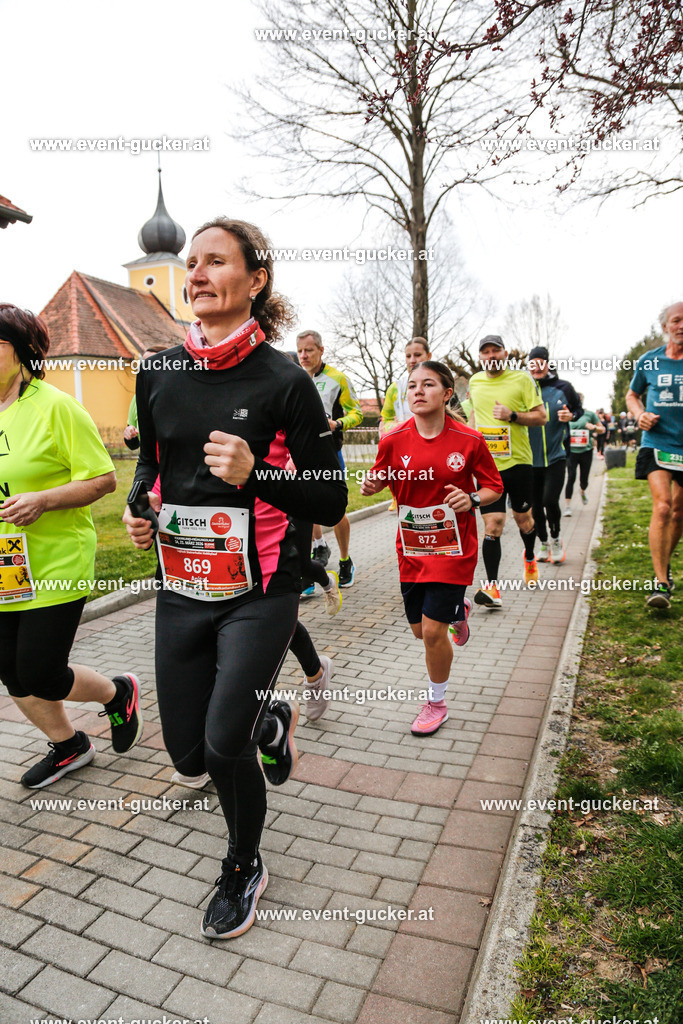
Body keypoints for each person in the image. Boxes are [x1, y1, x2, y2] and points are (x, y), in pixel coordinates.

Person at [123, 218, 346, 940]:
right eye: (190, 263)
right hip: (182, 586)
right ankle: (270, 719)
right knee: (188, 756)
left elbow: (331, 499)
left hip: (263, 589)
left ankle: (243, 863)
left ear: (255, 281)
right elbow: (152, 466)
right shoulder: (155, 372)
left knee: (223, 751)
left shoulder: (286, 382)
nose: (194, 275)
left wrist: (262, 475)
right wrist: (140, 510)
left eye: (214, 261)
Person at [0, 304, 143, 789]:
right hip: (4, 564)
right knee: (11, 671)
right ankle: (69, 746)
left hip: (56, 558)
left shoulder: (55, 407)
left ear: (22, 354)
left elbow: (103, 479)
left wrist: (44, 499)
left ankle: (117, 692)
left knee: (40, 671)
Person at [361, 361, 503, 734]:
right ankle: (461, 609)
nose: (418, 391)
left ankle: (436, 702)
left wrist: (471, 499)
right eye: (412, 386)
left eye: (428, 384)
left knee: (432, 633)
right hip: (411, 547)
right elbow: (380, 475)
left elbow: (494, 487)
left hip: (453, 549)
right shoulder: (392, 439)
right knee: (419, 630)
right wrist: (373, 485)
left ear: (447, 393)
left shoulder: (469, 440)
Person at [468, 335, 547, 607]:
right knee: (493, 524)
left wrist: (513, 416)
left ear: (505, 354)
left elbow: (541, 417)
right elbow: (473, 417)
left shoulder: (523, 380)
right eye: (486, 352)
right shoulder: (475, 382)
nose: (491, 356)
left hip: (519, 463)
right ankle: (492, 588)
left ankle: (529, 556)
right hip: (487, 467)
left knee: (523, 518)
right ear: (480, 357)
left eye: (496, 351)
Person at [627, 301, 683, 609]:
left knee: (678, 513)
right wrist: (639, 415)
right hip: (657, 442)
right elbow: (632, 394)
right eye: (676, 320)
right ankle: (660, 582)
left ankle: (665, 563)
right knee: (662, 507)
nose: (681, 326)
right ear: (665, 327)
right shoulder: (650, 361)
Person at [295, 330, 362, 587]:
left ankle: (345, 560)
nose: (304, 355)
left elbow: (356, 412)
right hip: (300, 454)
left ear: (321, 350)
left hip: (329, 454)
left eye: (309, 350)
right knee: (304, 508)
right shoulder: (295, 377)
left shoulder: (337, 378)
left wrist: (337, 423)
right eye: (300, 350)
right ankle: (314, 556)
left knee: (335, 511)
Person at [527, 346, 583, 564]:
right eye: (533, 363)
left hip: (556, 455)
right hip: (530, 459)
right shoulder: (524, 388)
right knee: (535, 505)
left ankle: (556, 538)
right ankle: (543, 541)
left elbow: (577, 409)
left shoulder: (563, 387)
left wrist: (571, 415)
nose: (537, 367)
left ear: (548, 364)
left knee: (550, 500)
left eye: (541, 362)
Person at [381, 337, 432, 510]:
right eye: (408, 356)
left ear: (428, 356)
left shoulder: (441, 383)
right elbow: (385, 421)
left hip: (433, 450)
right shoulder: (396, 388)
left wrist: (408, 423)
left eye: (417, 355)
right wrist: (396, 427)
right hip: (406, 453)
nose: (412, 360)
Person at [564, 399, 604, 515]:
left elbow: (602, 429)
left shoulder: (589, 414)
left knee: (584, 479)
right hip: (571, 451)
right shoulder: (566, 415)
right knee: (571, 477)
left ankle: (582, 491)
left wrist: (594, 428)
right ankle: (567, 507)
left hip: (586, 451)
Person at [123, 347, 166, 450]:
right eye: (144, 362)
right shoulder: (138, 396)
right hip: (149, 461)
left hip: (175, 461)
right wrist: (130, 434)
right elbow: (133, 444)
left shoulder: (178, 394)